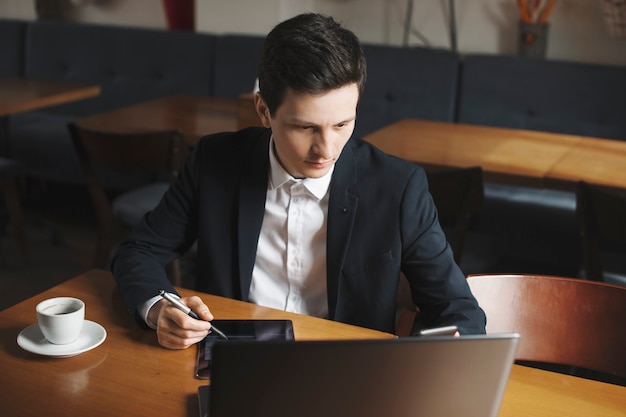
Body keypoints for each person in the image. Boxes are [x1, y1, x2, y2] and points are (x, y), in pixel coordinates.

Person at [111, 13, 486, 349]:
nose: (326, 148)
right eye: (305, 127)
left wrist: (455, 349)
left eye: (342, 125)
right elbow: (138, 252)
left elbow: (457, 307)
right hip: (233, 359)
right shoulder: (213, 162)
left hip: (347, 373)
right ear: (263, 110)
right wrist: (159, 308)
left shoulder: (399, 187)